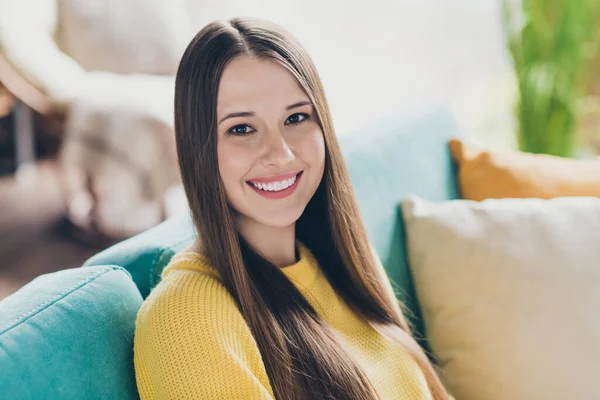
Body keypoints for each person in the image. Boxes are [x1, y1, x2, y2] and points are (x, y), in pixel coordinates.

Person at [133, 17, 452, 400]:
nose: (281, 153)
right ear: (198, 148)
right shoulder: (187, 318)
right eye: (242, 129)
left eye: (296, 118)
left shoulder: (342, 264)